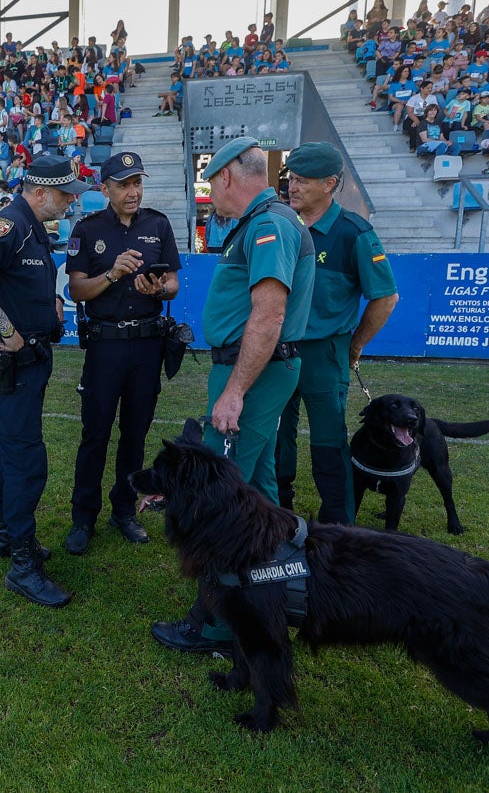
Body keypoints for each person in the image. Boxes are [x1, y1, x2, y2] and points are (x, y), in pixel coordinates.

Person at [145, 136, 315, 656]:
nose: (209, 197)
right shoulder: (271, 222)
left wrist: (235, 391)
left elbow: (268, 315)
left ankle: (217, 626)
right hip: (257, 370)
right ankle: (277, 597)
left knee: (223, 500)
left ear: (223, 178)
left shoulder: (267, 225)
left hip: (252, 374)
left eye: (209, 185)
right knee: (258, 492)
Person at [0, 154, 85, 608]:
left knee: (11, 451)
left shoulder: (32, 226)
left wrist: (47, 300)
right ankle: (23, 566)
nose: (71, 201)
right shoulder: (12, 222)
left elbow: (21, 280)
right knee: (26, 459)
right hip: (15, 363)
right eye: (66, 193)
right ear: (40, 191)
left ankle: (2, 535)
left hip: (30, 360)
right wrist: (8, 331)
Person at [63, 152, 181, 555]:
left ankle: (124, 509)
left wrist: (157, 290)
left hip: (148, 345)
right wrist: (112, 274)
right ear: (105, 188)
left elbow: (174, 285)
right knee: (94, 434)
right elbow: (75, 290)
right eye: (125, 184)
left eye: (138, 183)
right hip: (105, 346)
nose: (133, 192)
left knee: (135, 434)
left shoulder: (158, 224)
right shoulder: (87, 227)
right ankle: (83, 517)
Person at [274, 143, 399, 525]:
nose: (292, 187)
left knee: (328, 441)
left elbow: (385, 297)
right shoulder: (279, 224)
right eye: (290, 179)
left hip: (325, 353)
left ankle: (338, 525)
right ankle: (279, 512)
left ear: (330, 184)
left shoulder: (353, 232)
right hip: (276, 350)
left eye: (302, 181)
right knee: (276, 436)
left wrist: (355, 344)